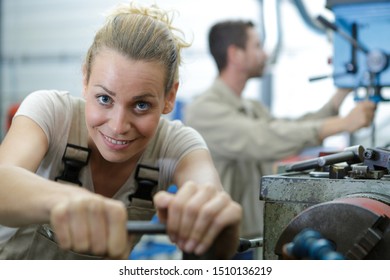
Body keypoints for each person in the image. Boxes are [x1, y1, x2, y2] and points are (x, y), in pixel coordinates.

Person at [0, 3, 242, 260]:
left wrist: (214, 220)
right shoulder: (52, 112)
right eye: (104, 98)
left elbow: (209, 195)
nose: (118, 126)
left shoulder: (177, 145)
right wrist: (66, 200)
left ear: (169, 97)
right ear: (85, 80)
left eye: (141, 105)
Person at [184, 20, 376, 244]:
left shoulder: (250, 107)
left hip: (249, 235)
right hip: (217, 242)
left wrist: (342, 91)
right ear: (235, 54)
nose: (264, 54)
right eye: (257, 46)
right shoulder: (204, 110)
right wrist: (343, 123)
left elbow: (289, 127)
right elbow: (266, 138)